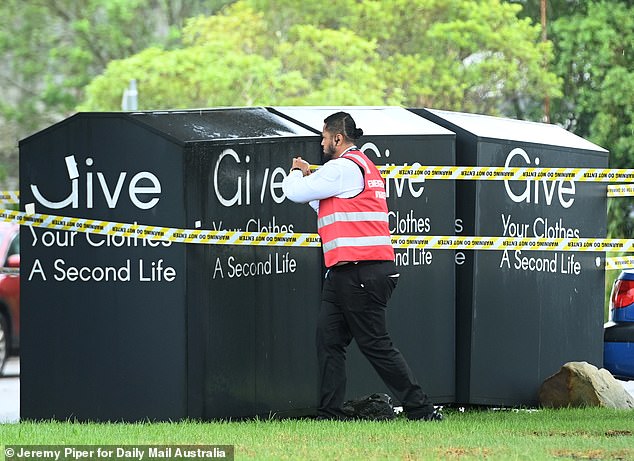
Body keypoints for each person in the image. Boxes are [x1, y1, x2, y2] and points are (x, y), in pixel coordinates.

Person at [282, 111, 442, 421]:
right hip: (345, 272)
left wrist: (297, 171)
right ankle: (329, 413)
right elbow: (323, 203)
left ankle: (421, 409)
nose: (322, 142)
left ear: (338, 138)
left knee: (375, 345)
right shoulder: (361, 167)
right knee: (328, 340)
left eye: (324, 137)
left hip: (361, 272)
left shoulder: (343, 167)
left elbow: (295, 192)